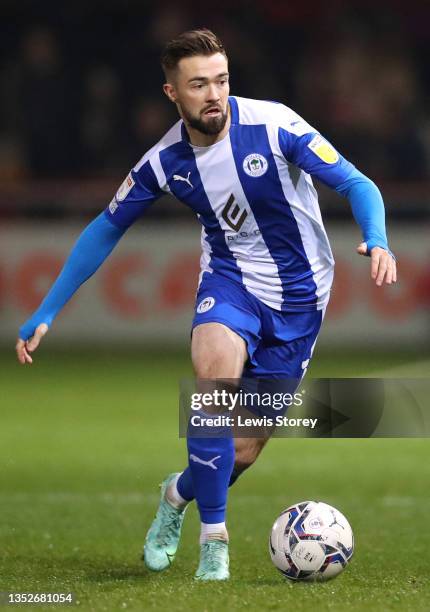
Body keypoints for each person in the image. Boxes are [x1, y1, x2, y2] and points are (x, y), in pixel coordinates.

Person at [16, 29, 396, 581]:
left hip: (301, 298)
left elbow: (358, 183)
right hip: (229, 282)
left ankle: (176, 494)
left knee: (240, 451)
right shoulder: (165, 161)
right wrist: (48, 308)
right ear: (172, 93)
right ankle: (213, 544)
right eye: (198, 84)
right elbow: (106, 226)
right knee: (213, 386)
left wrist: (377, 237)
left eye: (221, 79)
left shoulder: (276, 125)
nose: (213, 93)